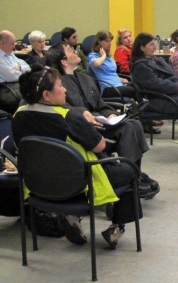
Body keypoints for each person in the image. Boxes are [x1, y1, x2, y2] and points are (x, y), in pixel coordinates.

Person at [12, 63, 141, 249]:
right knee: (130, 170)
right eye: (60, 85)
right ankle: (117, 227)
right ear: (46, 95)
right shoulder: (69, 117)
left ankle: (72, 217)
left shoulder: (18, 116)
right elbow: (100, 146)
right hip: (80, 184)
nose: (65, 89)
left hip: (39, 185)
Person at [46, 42, 159, 198]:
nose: (76, 51)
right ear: (64, 61)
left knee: (134, 123)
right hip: (82, 126)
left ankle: (134, 173)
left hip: (101, 121)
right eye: (71, 50)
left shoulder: (86, 78)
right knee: (127, 128)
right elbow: (61, 107)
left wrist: (110, 114)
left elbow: (100, 104)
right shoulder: (58, 85)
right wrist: (83, 112)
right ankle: (130, 178)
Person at [88, 30, 137, 100]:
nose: (110, 43)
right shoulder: (93, 55)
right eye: (107, 41)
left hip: (118, 84)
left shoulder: (109, 57)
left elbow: (110, 73)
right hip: (108, 89)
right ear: (99, 41)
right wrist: (103, 55)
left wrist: (120, 79)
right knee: (132, 90)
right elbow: (96, 64)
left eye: (110, 41)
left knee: (138, 84)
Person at [0, 30, 30, 113]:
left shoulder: (10, 54)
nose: (14, 47)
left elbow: (27, 67)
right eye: (12, 44)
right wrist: (21, 70)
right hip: (5, 89)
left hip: (17, 84)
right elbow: (12, 76)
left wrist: (19, 68)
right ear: (3, 43)